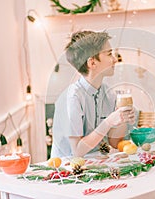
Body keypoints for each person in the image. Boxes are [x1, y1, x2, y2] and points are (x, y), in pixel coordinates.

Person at [51, 30, 135, 158]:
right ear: (92, 63)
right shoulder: (73, 98)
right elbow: (77, 151)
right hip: (67, 170)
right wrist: (108, 122)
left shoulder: (108, 94)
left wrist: (122, 118)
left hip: (95, 165)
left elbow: (114, 142)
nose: (114, 59)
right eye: (109, 54)